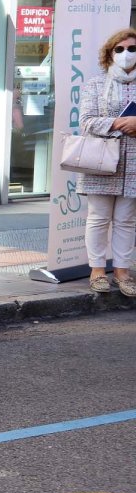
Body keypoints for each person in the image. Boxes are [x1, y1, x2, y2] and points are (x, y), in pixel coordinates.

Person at [77, 28, 136, 297]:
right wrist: (119, 123)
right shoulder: (96, 83)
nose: (126, 54)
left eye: (132, 49)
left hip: (134, 165)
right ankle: (97, 270)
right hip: (101, 160)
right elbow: (86, 121)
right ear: (110, 53)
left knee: (126, 220)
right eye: (120, 49)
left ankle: (122, 270)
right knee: (99, 218)